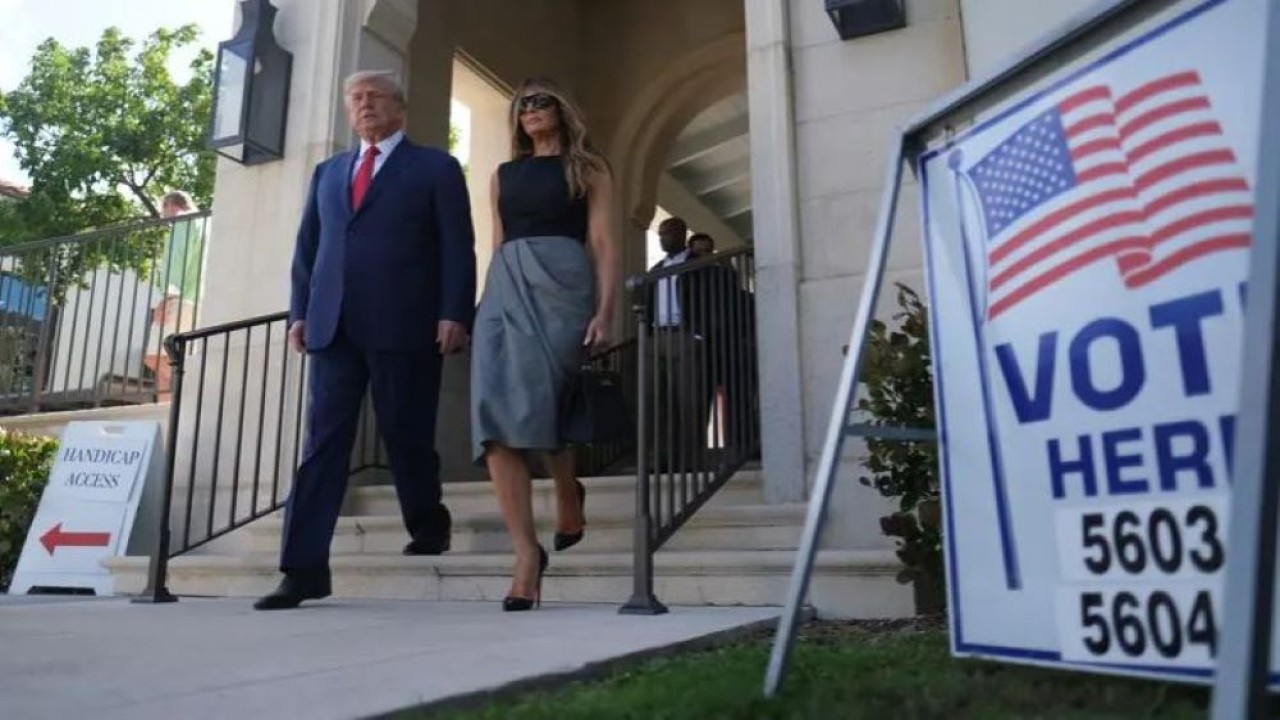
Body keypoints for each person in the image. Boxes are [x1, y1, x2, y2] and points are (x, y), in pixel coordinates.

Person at [255, 70, 477, 611]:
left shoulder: (435, 167)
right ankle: (302, 569)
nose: (365, 105)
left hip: (406, 323)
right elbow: (309, 249)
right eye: (356, 98)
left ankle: (428, 523)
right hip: (333, 329)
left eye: (375, 96)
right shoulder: (328, 173)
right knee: (323, 444)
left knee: (406, 435)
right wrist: (300, 312)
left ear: (401, 108)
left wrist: (454, 312)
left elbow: (458, 246)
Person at [471, 78, 618, 612]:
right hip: (507, 286)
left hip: (564, 283)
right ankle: (526, 554)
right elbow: (498, 241)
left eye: (540, 101)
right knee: (494, 415)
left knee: (550, 397)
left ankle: (566, 488)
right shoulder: (503, 175)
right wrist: (487, 302)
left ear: (562, 109)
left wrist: (605, 311)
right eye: (521, 105)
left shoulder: (588, 167)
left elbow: (602, 242)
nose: (530, 110)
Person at [646, 217, 709, 472]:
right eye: (660, 234)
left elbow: (709, 300)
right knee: (658, 401)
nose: (662, 239)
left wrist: (699, 335)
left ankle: (691, 461)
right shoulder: (657, 268)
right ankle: (662, 459)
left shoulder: (698, 265)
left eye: (667, 234)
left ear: (681, 234)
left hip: (684, 334)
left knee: (688, 400)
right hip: (658, 336)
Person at [144, 191, 206, 400]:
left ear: (170, 205)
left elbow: (177, 260)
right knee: (169, 356)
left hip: (181, 299)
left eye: (163, 209)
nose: (163, 216)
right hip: (198, 298)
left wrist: (167, 299)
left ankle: (186, 392)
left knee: (155, 356)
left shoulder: (183, 221)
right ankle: (167, 407)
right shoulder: (207, 223)